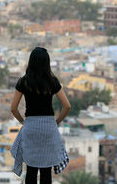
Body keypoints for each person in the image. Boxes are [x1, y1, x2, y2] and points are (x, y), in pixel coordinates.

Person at [10, 47, 71, 184]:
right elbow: (67, 106)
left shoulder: (23, 81)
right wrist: (56, 122)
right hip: (49, 127)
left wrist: (23, 122)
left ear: (31, 62)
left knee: (31, 170)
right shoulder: (52, 82)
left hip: (30, 127)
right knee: (46, 171)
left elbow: (13, 109)